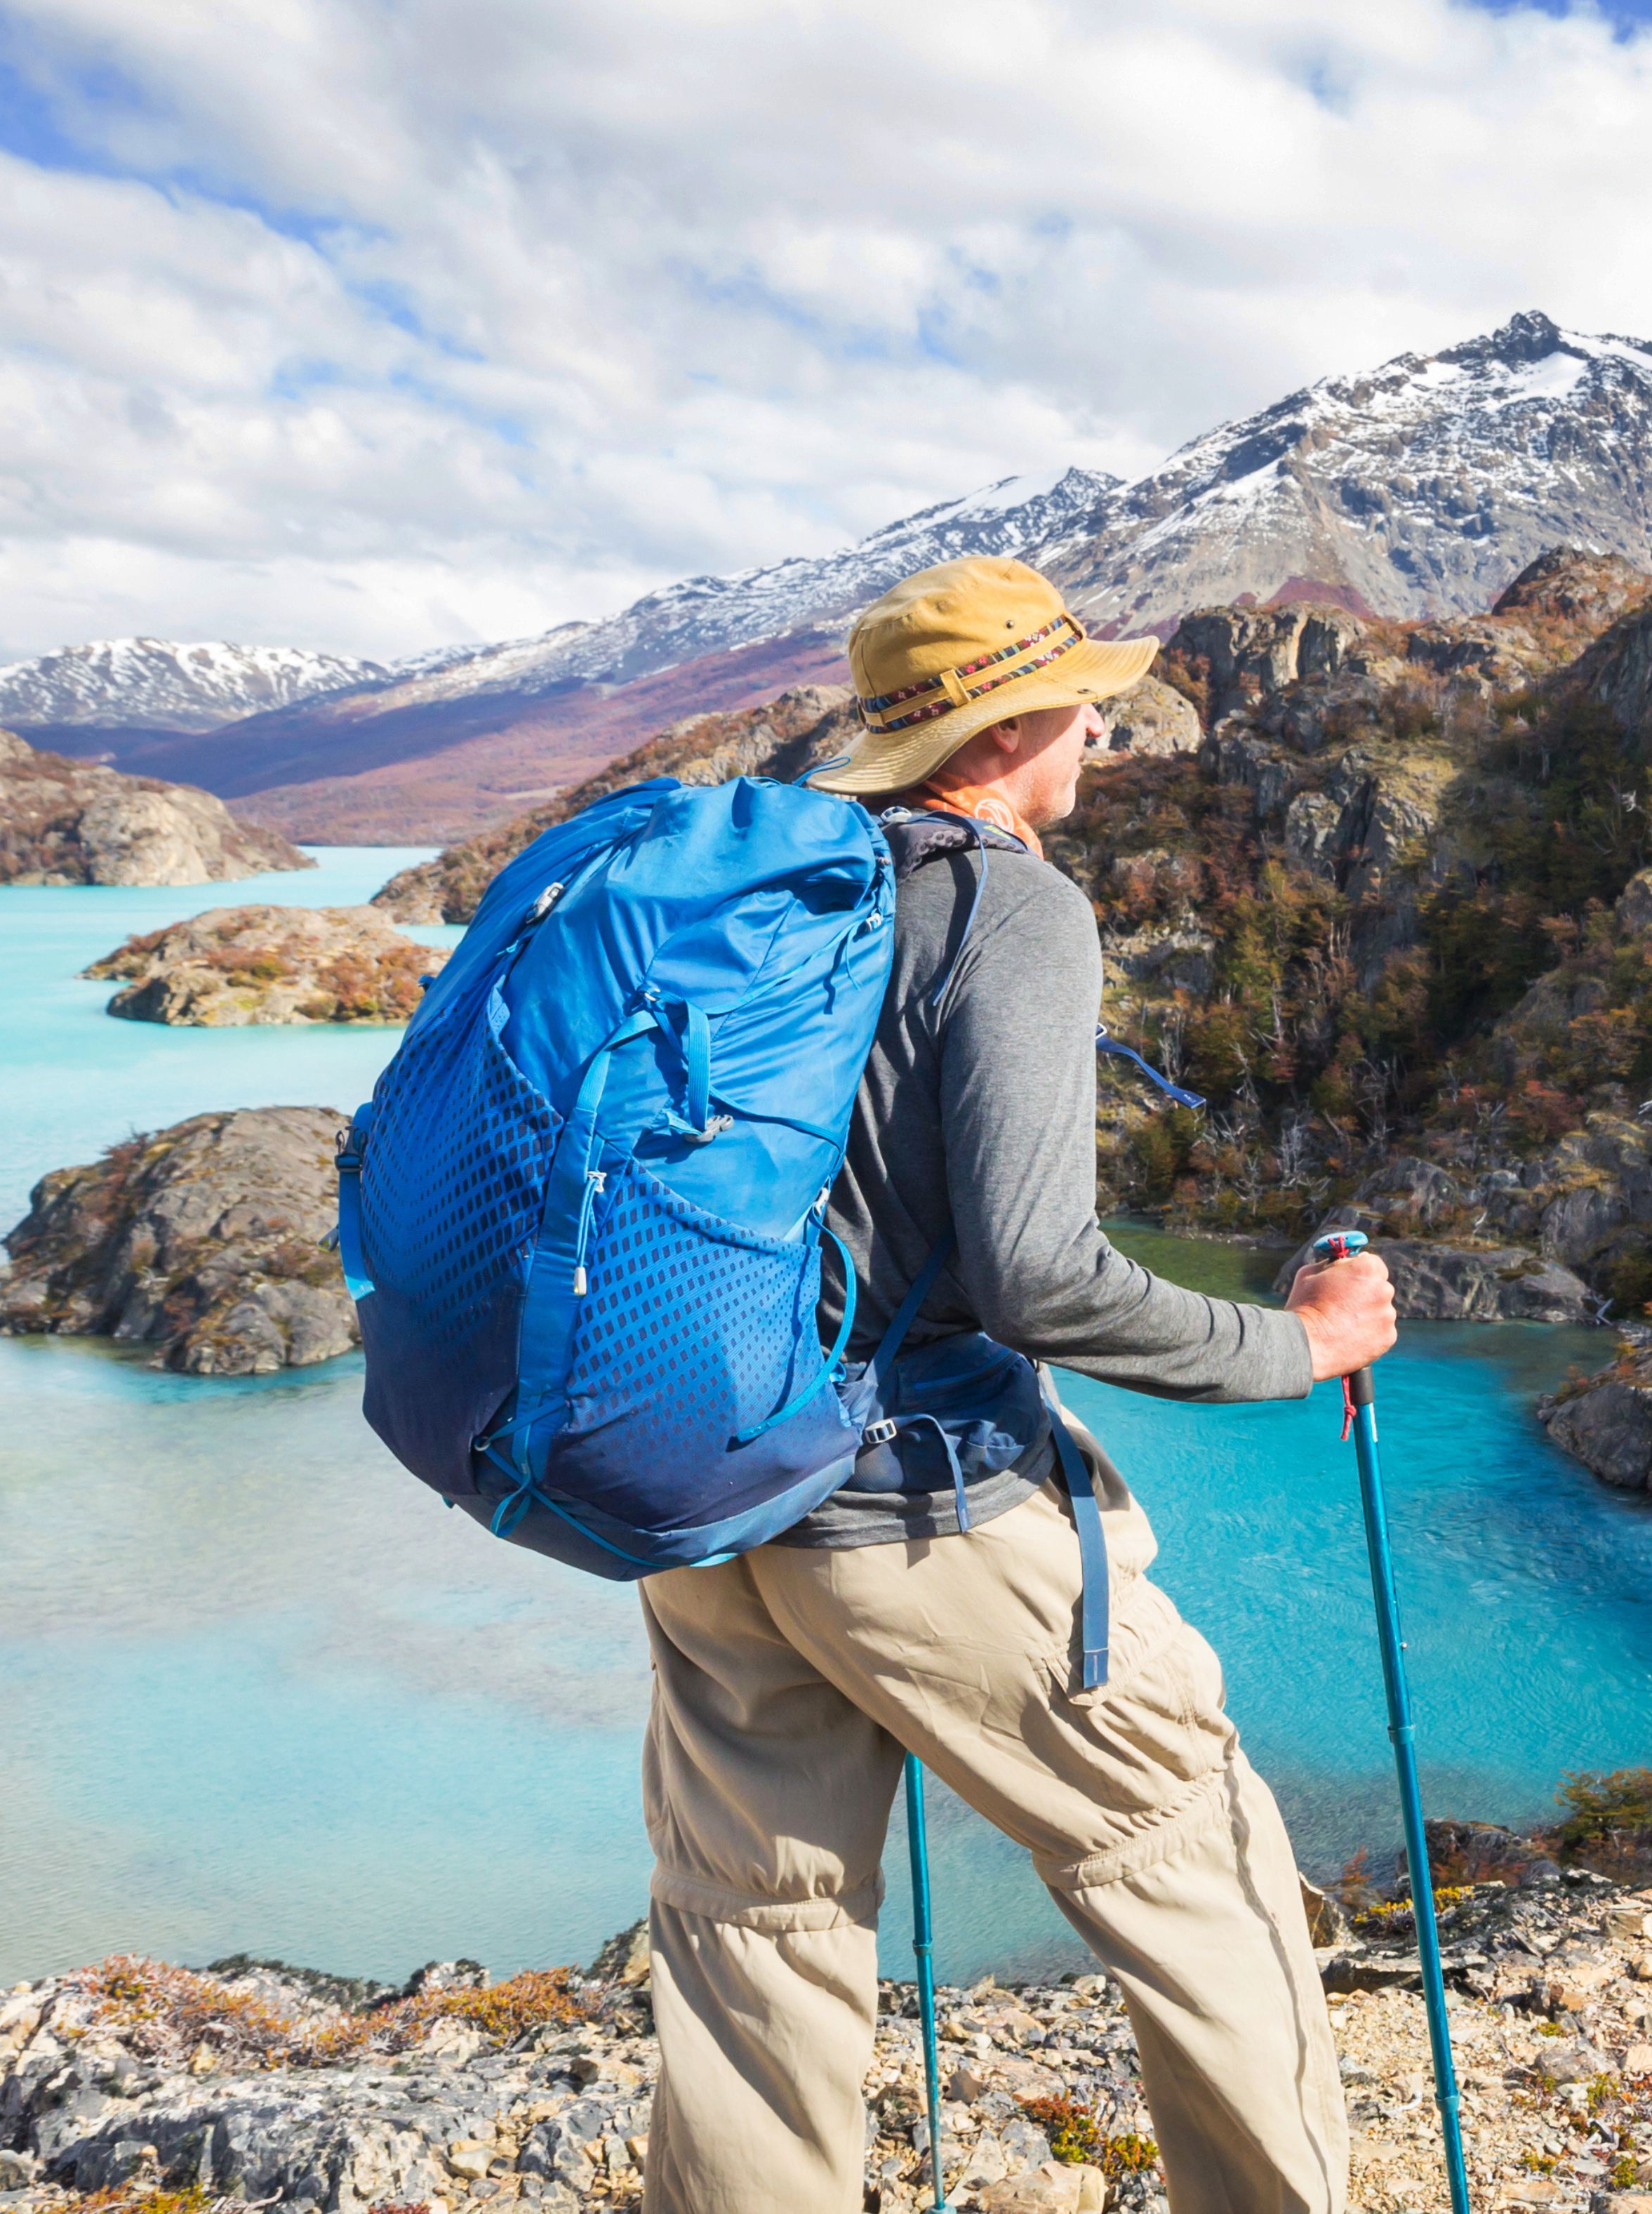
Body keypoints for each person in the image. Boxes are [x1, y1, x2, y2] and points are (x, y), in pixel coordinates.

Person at [632, 555, 1399, 2214]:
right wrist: (1305, 1346)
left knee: (753, 1937)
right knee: (1193, 1857)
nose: (1108, 723)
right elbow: (1037, 1275)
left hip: (711, 1495)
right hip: (919, 1513)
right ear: (1013, 726)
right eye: (1087, 699)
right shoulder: (1013, 905)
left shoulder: (796, 886)